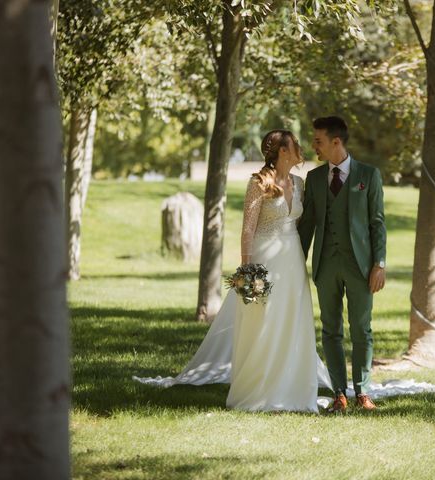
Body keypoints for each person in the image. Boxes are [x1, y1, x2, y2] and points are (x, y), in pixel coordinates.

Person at [134, 130, 332, 413]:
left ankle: (292, 387)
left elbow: (300, 225)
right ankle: (257, 390)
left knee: (292, 320)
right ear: (282, 152)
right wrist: (248, 269)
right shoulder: (259, 182)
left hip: (292, 261)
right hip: (264, 260)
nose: (300, 148)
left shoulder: (299, 183)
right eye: (294, 145)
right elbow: (248, 229)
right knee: (261, 323)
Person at [298, 116, 387, 413]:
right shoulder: (314, 179)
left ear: (336, 141)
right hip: (326, 265)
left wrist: (380, 264)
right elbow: (308, 224)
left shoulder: (369, 175)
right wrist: (297, 260)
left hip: (361, 267)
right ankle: (339, 393)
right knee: (331, 330)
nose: (314, 146)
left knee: (362, 329)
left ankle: (363, 392)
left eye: (318, 140)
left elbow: (378, 224)